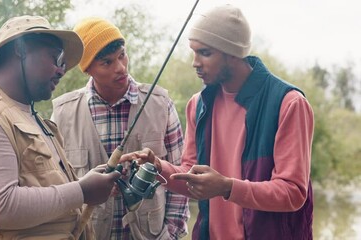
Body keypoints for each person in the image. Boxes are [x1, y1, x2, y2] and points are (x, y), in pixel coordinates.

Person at [120, 4, 314, 240]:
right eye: (194, 52)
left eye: (205, 53)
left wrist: (226, 187)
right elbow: (191, 177)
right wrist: (159, 167)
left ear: (232, 53)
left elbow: (293, 192)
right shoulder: (198, 105)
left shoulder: (289, 104)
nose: (195, 62)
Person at [0, 15, 120, 240]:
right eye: (56, 58)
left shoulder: (31, 117)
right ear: (22, 48)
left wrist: (86, 185)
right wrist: (82, 191)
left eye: (64, 63)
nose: (62, 70)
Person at [51, 17, 189, 240]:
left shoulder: (161, 104)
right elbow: (55, 186)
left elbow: (181, 176)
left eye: (122, 55)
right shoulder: (62, 113)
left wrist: (171, 234)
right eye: (107, 62)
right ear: (87, 69)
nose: (121, 68)